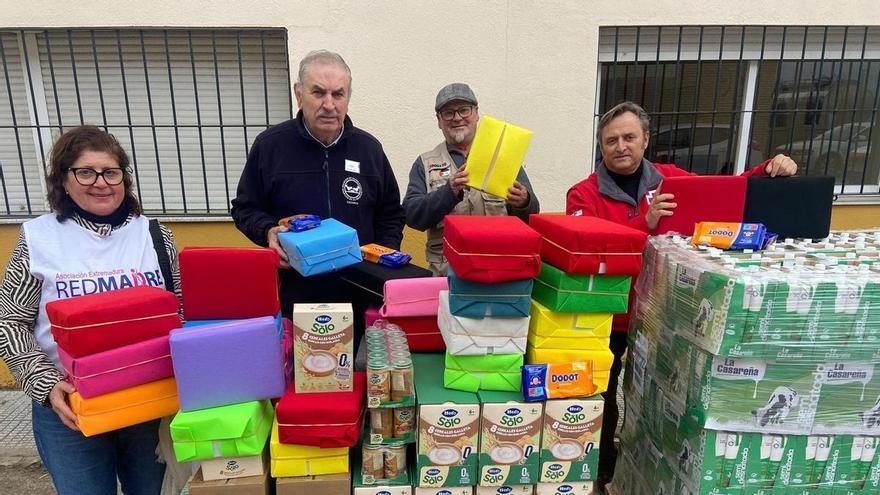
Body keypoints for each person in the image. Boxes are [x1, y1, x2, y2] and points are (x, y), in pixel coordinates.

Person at [566, 101, 797, 493]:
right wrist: (645, 222)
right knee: (601, 395)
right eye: (610, 141)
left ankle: (646, 465)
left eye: (628, 137)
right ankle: (599, 474)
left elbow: (725, 193)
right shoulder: (582, 195)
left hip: (665, 312)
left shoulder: (671, 179)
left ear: (645, 140)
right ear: (601, 147)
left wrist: (769, 169)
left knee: (659, 392)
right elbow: (591, 253)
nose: (620, 146)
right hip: (609, 315)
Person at [0, 126, 182, 495]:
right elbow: (11, 321)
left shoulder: (155, 236)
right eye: (86, 172)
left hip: (148, 403)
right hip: (71, 407)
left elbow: (181, 311)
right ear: (64, 180)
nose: (101, 182)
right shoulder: (38, 239)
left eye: (111, 172)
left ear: (124, 178)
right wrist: (47, 385)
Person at [231, 50, 405, 311]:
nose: (329, 105)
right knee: (297, 354)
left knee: (361, 354)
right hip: (295, 292)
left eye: (338, 94)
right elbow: (245, 208)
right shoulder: (271, 147)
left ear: (348, 97)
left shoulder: (369, 149)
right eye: (318, 92)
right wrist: (268, 231)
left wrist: (381, 258)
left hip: (361, 293)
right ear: (298, 94)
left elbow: (391, 214)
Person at [402, 83, 540, 275]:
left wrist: (524, 201)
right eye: (448, 113)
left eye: (464, 110)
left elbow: (532, 215)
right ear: (439, 120)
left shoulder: (503, 158)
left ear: (476, 114)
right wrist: (448, 191)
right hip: (446, 274)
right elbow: (412, 215)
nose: (457, 117)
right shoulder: (424, 163)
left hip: (498, 270)